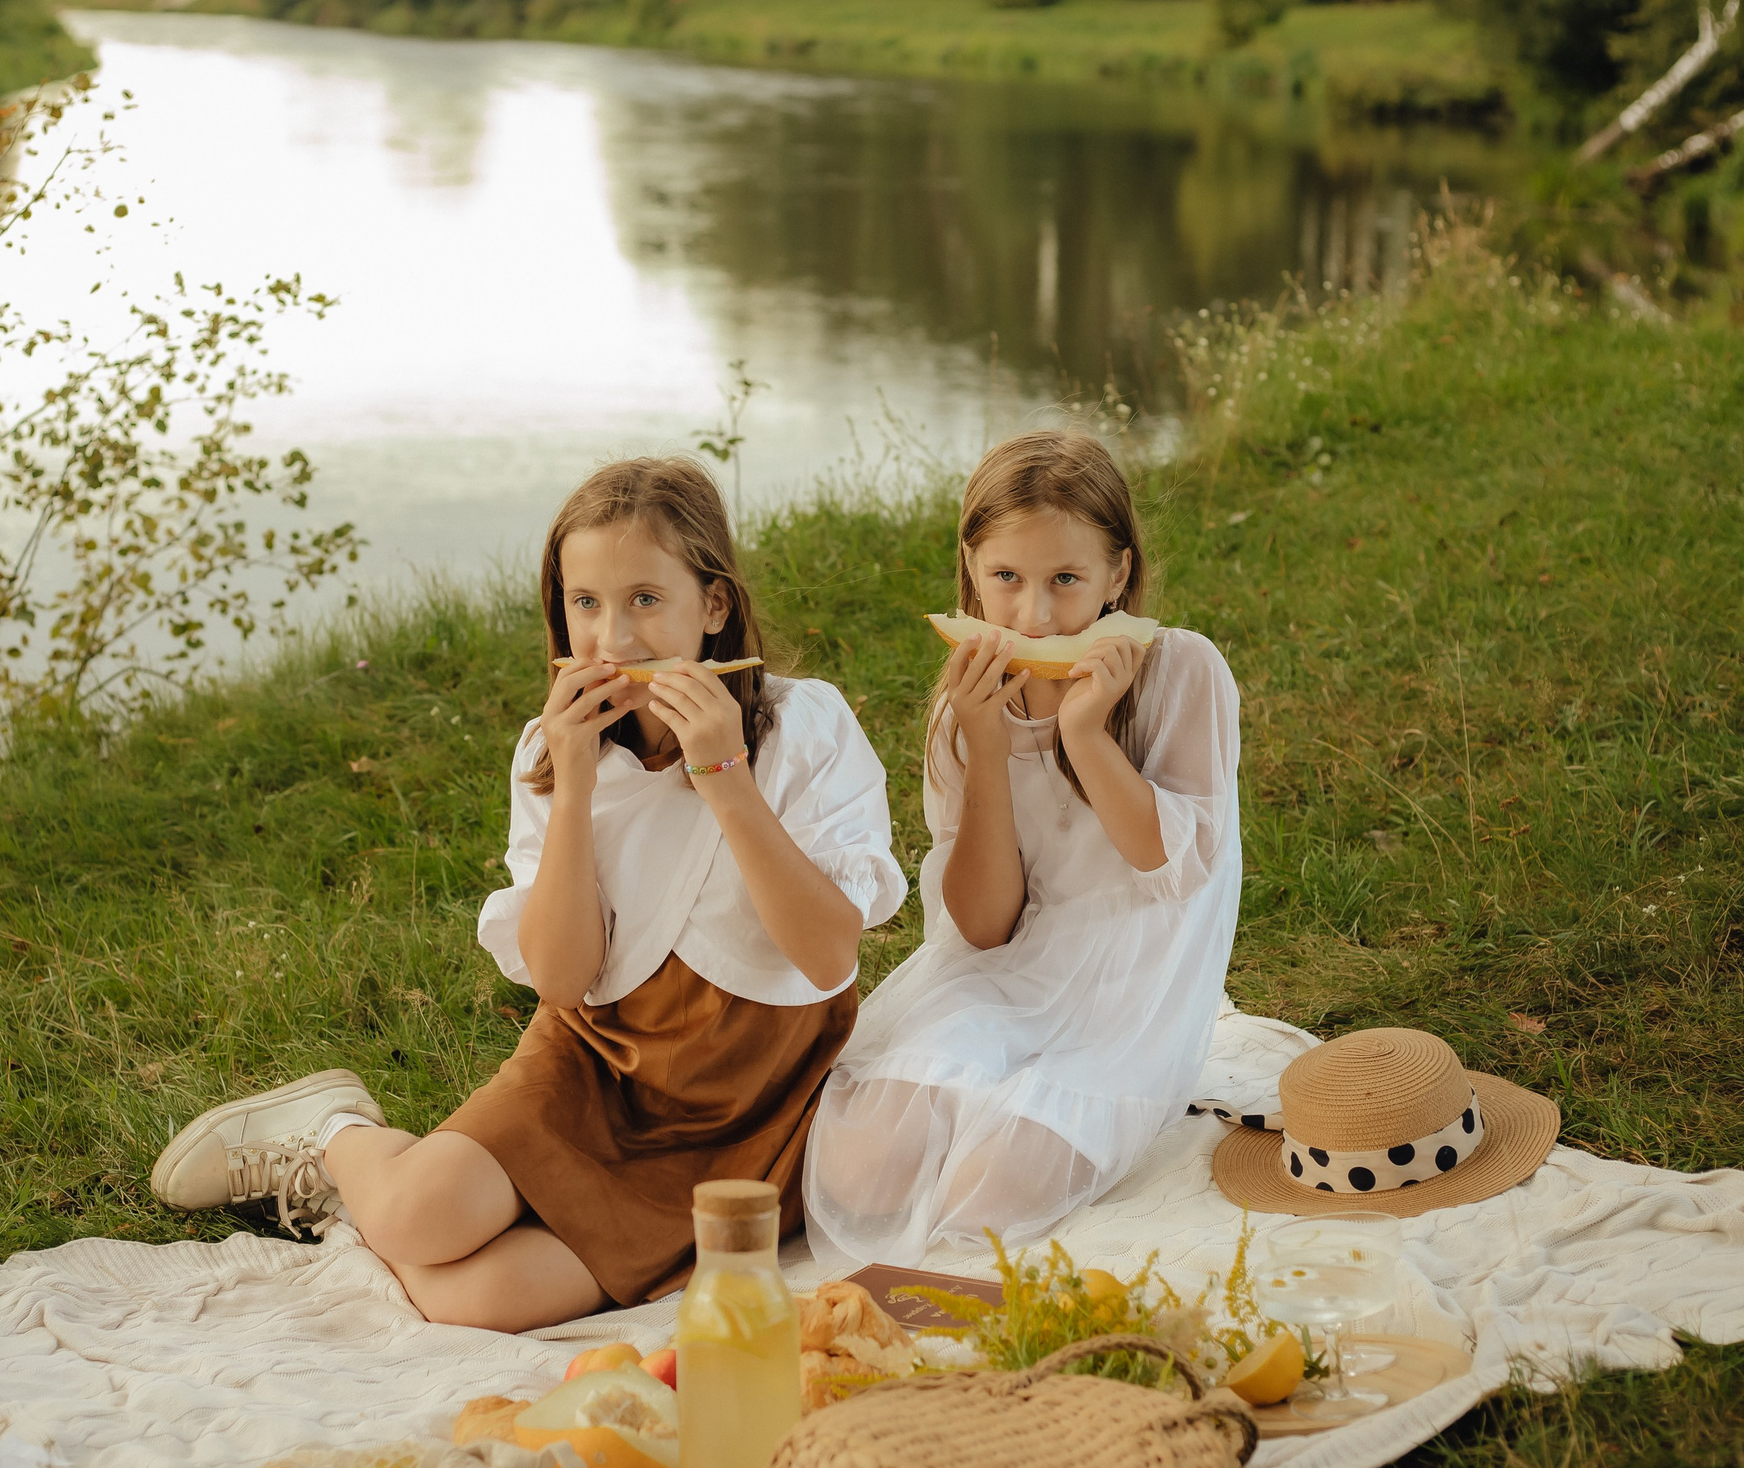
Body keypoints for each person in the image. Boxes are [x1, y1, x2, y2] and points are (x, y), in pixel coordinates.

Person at [150, 457, 905, 1330]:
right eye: (586, 604)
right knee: (411, 1218)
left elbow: (827, 952)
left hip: (752, 1098)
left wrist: (726, 778)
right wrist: (577, 788)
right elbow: (559, 979)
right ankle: (332, 1136)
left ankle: (359, 1179)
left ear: (715, 605)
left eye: (645, 600)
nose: (612, 640)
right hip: (594, 1061)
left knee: (474, 1299)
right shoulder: (551, 753)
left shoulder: (805, 725)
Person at [804, 429, 1241, 1266]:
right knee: (863, 1170)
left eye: (1065, 581)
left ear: (1118, 574)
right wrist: (987, 747)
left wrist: (1084, 732)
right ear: (971, 569)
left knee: (985, 1193)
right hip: (1008, 971)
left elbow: (1175, 868)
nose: (1034, 616)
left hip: (1130, 980)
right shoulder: (962, 709)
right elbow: (983, 927)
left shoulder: (1183, 670)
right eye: (1006, 578)